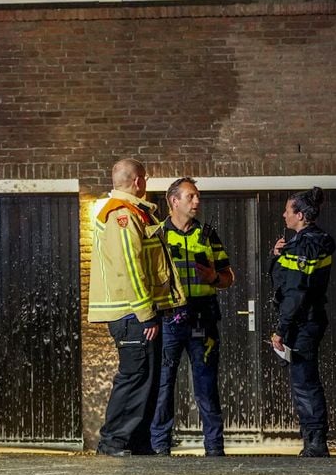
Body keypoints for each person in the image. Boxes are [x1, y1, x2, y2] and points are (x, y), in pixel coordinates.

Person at [90, 158, 184, 456]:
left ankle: (137, 441)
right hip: (132, 313)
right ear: (139, 181)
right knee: (134, 377)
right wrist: (146, 314)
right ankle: (114, 441)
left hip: (139, 312)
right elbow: (130, 266)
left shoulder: (135, 214)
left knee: (147, 378)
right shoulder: (121, 214)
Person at [150, 177, 235, 456]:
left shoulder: (208, 234)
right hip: (169, 319)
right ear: (174, 201)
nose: (197, 201)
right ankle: (159, 447)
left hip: (203, 319)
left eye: (197, 196)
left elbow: (228, 277)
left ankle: (214, 448)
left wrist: (214, 277)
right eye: (191, 197)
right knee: (164, 384)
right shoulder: (157, 235)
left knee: (206, 385)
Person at [269, 187, 336, 457]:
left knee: (304, 384)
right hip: (312, 318)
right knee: (306, 380)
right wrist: (276, 256)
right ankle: (313, 441)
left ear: (299, 215)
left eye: (288, 210)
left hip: (300, 323)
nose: (284, 214)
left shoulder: (302, 247)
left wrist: (281, 330)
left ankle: (315, 443)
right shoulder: (317, 241)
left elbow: (294, 292)